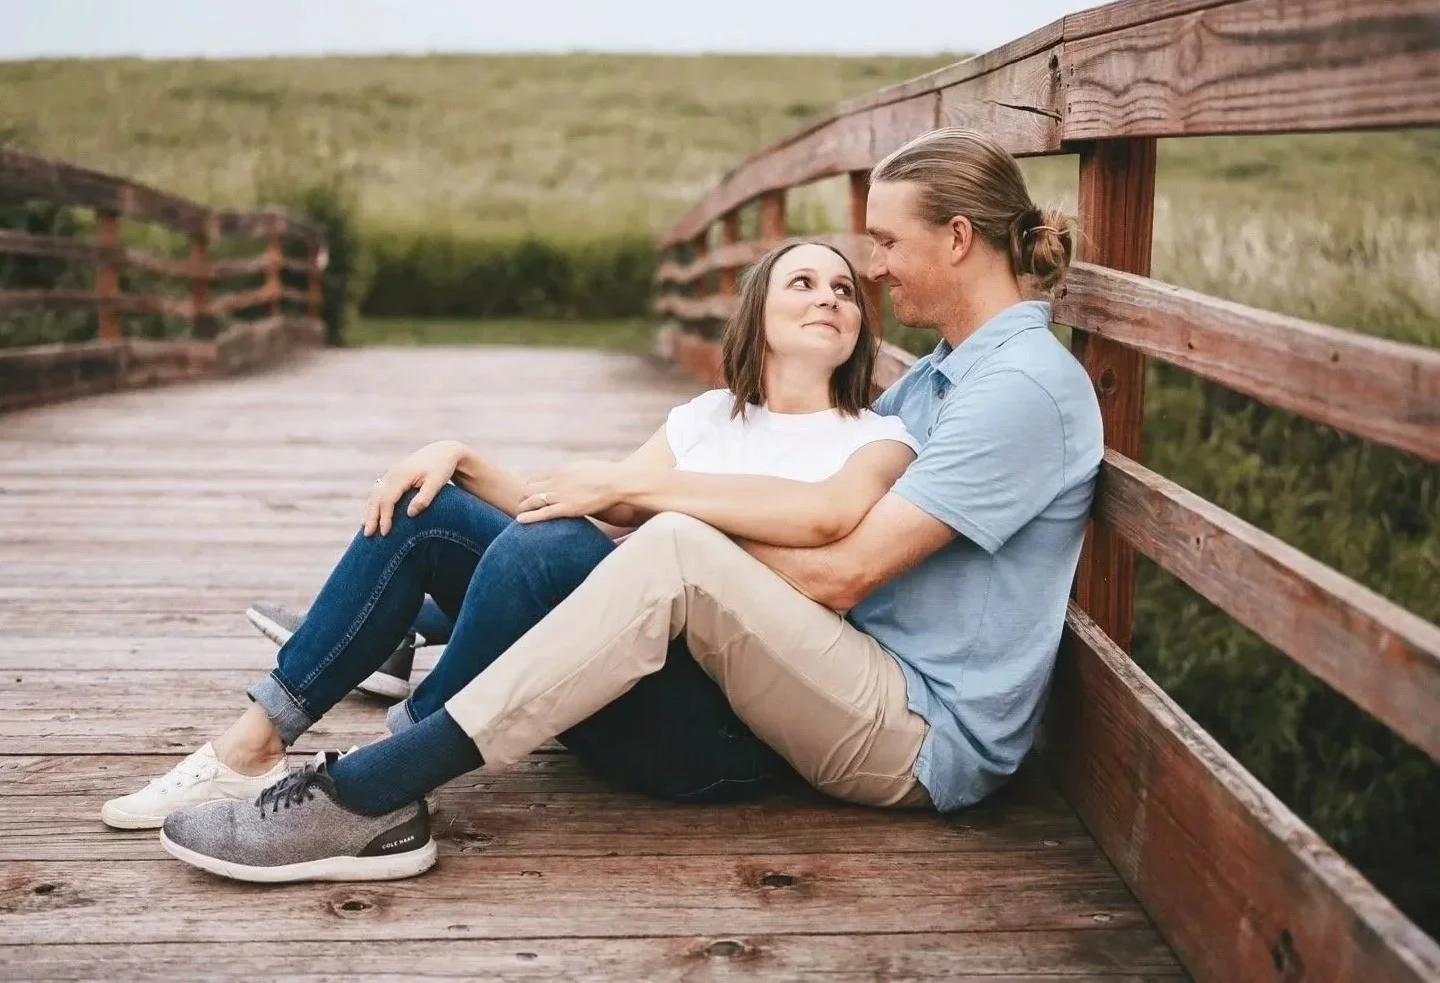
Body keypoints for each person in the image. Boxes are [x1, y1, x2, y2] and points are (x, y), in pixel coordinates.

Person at [157, 126, 1105, 886]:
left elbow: (843, 567)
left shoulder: (1019, 388)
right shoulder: (941, 379)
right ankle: (340, 696)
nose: (878, 270)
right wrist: (608, 510)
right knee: (540, 532)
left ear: (956, 238)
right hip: (846, 673)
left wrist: (651, 514)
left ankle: (371, 792)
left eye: (887, 246)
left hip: (922, 733)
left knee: (668, 549)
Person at [102, 238, 916, 837]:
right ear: (758, 314)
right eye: (802, 282)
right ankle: (250, 745)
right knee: (433, 509)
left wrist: (639, 496)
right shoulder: (707, 419)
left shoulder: (876, 437)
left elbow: (826, 521)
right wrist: (457, 459)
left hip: (713, 742)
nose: (829, 297)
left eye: (844, 288)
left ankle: (396, 757)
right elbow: (579, 503)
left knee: (553, 550)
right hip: (600, 676)